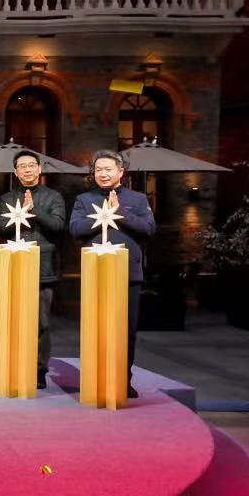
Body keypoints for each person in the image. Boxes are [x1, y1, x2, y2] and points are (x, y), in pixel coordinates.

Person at [69, 149, 158, 397]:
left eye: (108, 169)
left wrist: (121, 213)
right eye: (98, 170)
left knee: (126, 330)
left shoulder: (137, 199)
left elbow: (149, 229)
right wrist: (102, 217)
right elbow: (75, 229)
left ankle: (122, 380)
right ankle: (93, 378)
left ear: (121, 172)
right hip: (95, 273)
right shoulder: (84, 199)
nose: (103, 174)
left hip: (128, 273)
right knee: (95, 328)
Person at [0, 149, 69, 388]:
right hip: (13, 266)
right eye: (22, 166)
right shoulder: (6, 198)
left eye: (31, 165)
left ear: (39, 169)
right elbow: (0, 228)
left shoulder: (53, 196)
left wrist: (33, 209)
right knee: (12, 320)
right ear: (16, 172)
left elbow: (57, 226)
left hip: (42, 268)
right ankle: (13, 365)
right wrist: (20, 213)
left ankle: (39, 369)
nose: (27, 170)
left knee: (41, 323)